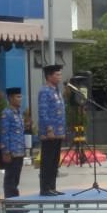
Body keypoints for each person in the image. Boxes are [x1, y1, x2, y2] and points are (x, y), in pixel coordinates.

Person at [38, 64, 67, 196]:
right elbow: (43, 112)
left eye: (60, 74)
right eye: (57, 74)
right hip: (50, 132)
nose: (60, 77)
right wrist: (49, 129)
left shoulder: (57, 91)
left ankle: (52, 186)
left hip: (58, 132)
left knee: (55, 161)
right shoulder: (45, 91)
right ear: (49, 76)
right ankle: (45, 188)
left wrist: (62, 130)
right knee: (47, 161)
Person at [1, 87, 28, 211]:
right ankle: (10, 203)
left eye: (20, 96)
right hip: (11, 151)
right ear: (11, 98)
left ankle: (15, 201)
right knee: (10, 178)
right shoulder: (7, 113)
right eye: (17, 97)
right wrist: (6, 151)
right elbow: (5, 133)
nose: (20, 99)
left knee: (16, 178)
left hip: (19, 150)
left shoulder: (18, 113)